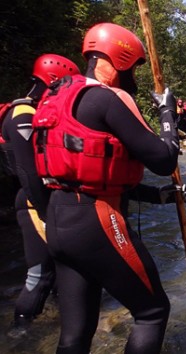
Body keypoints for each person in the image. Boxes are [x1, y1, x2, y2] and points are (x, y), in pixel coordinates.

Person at [32, 23, 180, 353]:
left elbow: (92, 170)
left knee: (75, 333)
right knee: (153, 312)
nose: (134, 79)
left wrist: (153, 196)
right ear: (118, 60)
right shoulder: (106, 98)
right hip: (96, 221)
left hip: (59, 220)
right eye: (132, 69)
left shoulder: (60, 93)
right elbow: (162, 159)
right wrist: (168, 115)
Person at [1, 54, 80, 333]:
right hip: (34, 203)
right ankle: (19, 333)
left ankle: (58, 326)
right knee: (40, 276)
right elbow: (28, 172)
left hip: (43, 201)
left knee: (61, 274)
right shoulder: (24, 114)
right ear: (54, 80)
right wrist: (48, 215)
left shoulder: (38, 111)